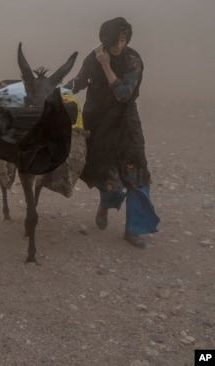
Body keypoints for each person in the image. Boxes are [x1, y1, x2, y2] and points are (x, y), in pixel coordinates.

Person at [64, 17, 160, 247]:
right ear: (106, 41)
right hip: (98, 122)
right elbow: (78, 82)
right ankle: (106, 204)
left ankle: (134, 230)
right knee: (107, 175)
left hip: (126, 123)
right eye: (116, 41)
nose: (121, 45)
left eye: (124, 40)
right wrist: (55, 90)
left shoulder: (132, 60)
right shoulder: (93, 57)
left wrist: (106, 65)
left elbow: (124, 94)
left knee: (135, 172)